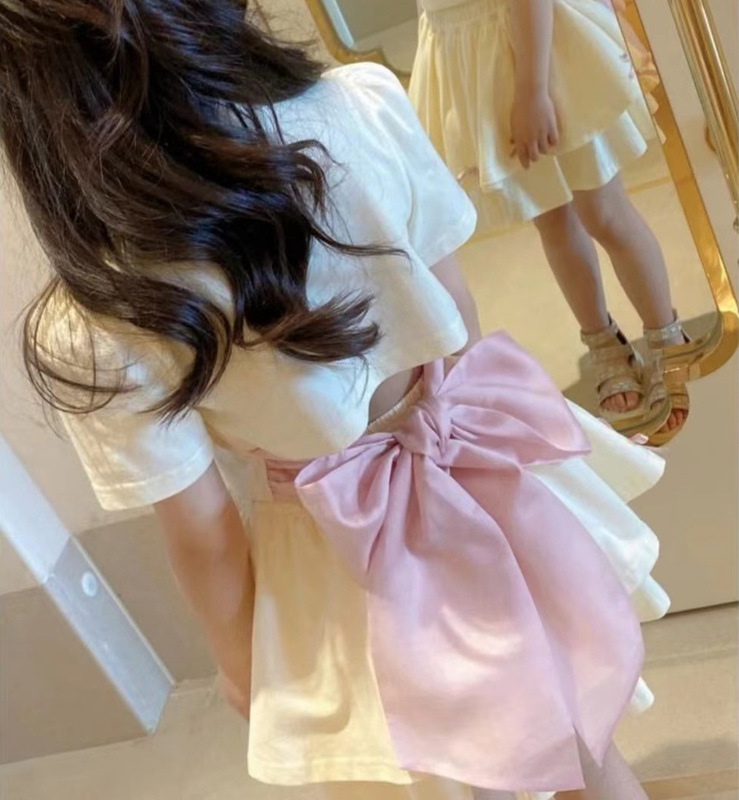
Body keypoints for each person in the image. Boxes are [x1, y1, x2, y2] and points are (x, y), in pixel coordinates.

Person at [0, 2, 668, 799]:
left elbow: (205, 533)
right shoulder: (361, 104)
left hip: (335, 557)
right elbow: (456, 320)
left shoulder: (100, 312)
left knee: (443, 768)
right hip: (476, 470)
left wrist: (243, 664)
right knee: (577, 733)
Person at [410, 0, 690, 446]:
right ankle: (603, 342)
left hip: (539, 54)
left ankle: (667, 337)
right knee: (552, 223)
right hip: (471, 58)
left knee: (604, 212)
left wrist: (532, 89)